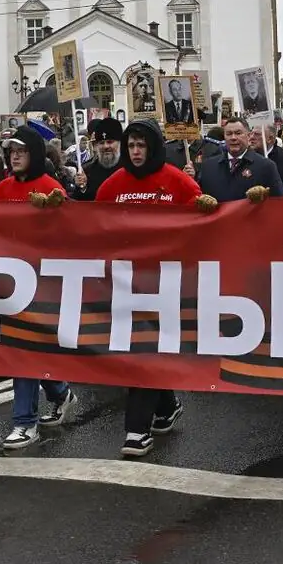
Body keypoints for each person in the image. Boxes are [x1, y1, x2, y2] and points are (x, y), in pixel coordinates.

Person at [98, 120, 214, 457]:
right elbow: (92, 225)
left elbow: (204, 222)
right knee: (137, 351)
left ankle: (136, 430)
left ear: (153, 148)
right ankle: (166, 405)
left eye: (141, 146)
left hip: (166, 282)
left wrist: (206, 208)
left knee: (146, 351)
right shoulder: (112, 185)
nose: (135, 152)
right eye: (131, 146)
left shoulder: (177, 181)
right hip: (125, 283)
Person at [0, 125, 77, 449]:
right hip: (10, 279)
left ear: (35, 154)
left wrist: (55, 210)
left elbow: (70, 232)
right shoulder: (1, 189)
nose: (15, 157)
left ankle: (25, 422)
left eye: (21, 151)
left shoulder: (51, 187)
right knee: (25, 348)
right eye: (11, 152)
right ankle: (60, 392)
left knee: (24, 350)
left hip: (42, 281)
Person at [197, 117, 283, 203]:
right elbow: (200, 199)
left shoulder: (266, 166)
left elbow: (277, 203)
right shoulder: (209, 166)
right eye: (229, 134)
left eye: (238, 133)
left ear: (248, 136)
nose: (233, 138)